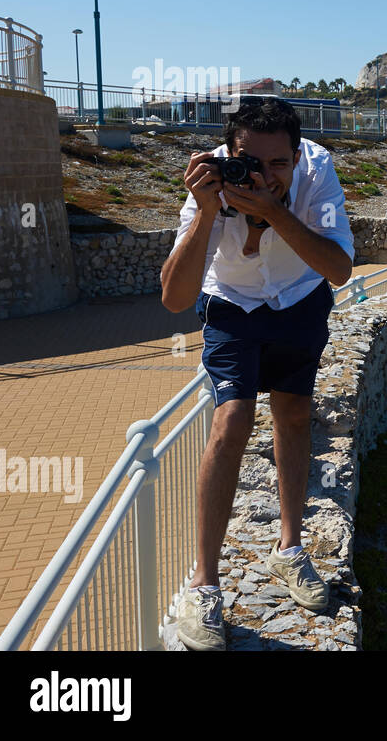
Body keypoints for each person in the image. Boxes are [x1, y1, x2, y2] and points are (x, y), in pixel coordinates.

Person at [159, 95, 354, 651]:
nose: (263, 175)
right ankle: (205, 584)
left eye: (278, 164)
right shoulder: (213, 180)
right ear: (230, 151)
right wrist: (203, 212)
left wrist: (275, 212)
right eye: (250, 160)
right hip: (231, 304)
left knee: (293, 414)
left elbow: (338, 270)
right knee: (232, 418)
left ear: (297, 156)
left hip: (299, 298)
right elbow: (175, 299)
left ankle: (290, 548)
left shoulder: (317, 173)